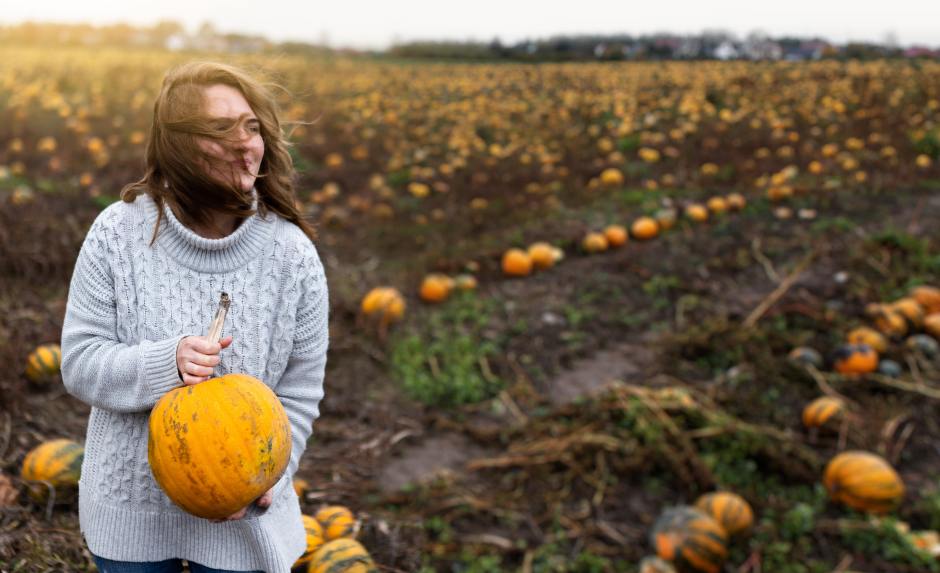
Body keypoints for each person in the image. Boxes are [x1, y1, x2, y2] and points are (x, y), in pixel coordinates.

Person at [61, 61, 328, 573]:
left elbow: (300, 391)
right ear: (179, 145)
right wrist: (169, 364)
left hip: (245, 519)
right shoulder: (118, 233)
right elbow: (79, 362)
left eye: (252, 127)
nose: (245, 143)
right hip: (130, 516)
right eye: (221, 130)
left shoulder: (292, 255)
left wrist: (266, 477)